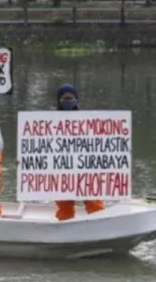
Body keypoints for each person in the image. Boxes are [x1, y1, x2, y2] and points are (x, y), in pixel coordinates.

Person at [54, 83, 105, 221]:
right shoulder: (50, 121)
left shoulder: (87, 119)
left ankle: (99, 226)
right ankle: (64, 228)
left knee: (95, 203)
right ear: (59, 100)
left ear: (76, 99)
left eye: (71, 98)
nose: (68, 101)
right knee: (64, 206)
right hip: (62, 170)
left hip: (85, 168)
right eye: (65, 98)